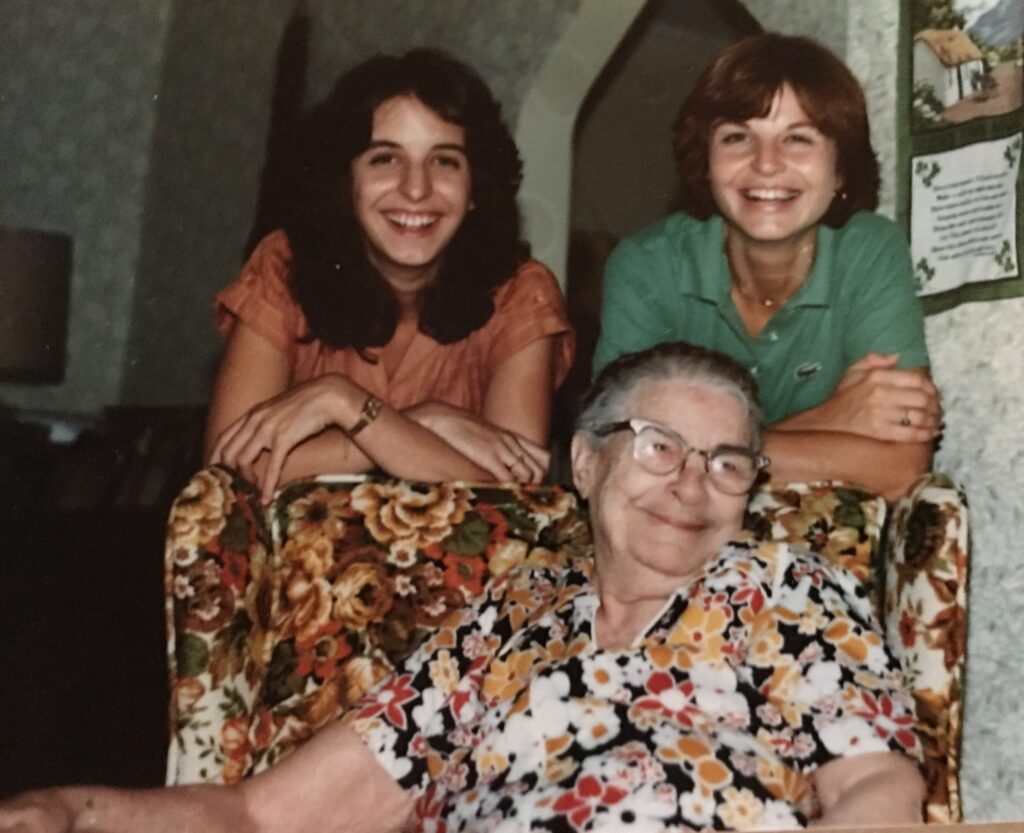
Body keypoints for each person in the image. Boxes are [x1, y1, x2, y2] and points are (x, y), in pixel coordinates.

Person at [0, 342, 925, 832]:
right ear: (585, 462)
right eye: (659, 447)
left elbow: (877, 785)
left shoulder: (791, 592)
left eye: (728, 463)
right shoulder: (504, 629)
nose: (691, 484)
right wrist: (72, 810)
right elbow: (264, 813)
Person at [206, 49, 574, 503]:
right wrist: (419, 422)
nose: (416, 189)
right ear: (346, 181)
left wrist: (346, 406)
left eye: (445, 160)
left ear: (476, 186)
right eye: (385, 159)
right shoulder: (283, 266)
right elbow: (231, 469)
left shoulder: (522, 293)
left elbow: (511, 495)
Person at [592, 33, 941, 501]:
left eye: (798, 139)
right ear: (706, 162)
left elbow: (900, 467)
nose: (767, 164)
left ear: (840, 169)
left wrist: (695, 449)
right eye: (738, 137)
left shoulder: (870, 251)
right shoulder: (646, 267)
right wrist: (832, 416)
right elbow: (621, 456)